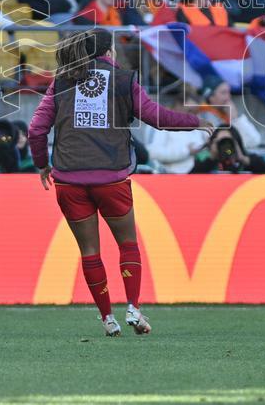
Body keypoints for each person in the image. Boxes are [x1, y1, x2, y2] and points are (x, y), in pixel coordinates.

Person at [28, 29, 210, 336]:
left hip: (69, 178)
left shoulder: (61, 82)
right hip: (111, 177)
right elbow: (156, 117)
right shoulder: (124, 80)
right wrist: (197, 121)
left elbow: (35, 130)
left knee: (90, 252)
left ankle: (107, 319)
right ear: (109, 52)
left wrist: (42, 165)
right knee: (127, 245)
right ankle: (134, 309)